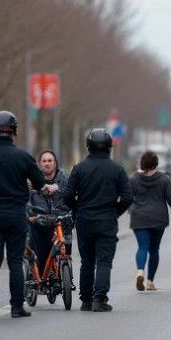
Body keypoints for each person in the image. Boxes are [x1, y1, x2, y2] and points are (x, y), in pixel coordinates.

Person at [0, 111, 55, 319]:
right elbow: (39, 183)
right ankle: (17, 307)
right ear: (14, 131)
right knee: (15, 261)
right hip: (16, 214)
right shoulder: (23, 156)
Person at [62, 128, 133, 312]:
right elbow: (127, 198)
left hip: (84, 220)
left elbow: (67, 196)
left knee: (87, 261)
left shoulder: (78, 169)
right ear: (109, 147)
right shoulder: (117, 169)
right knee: (103, 261)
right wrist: (114, 212)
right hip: (107, 220)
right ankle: (99, 299)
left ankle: (85, 300)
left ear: (88, 147)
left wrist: (77, 210)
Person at [129, 151, 171, 291]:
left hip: (139, 217)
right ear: (156, 163)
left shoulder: (134, 179)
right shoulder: (164, 179)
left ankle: (140, 272)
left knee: (142, 247)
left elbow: (128, 198)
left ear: (142, 163)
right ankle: (149, 282)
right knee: (154, 250)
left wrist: (132, 210)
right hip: (158, 219)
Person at [27, 150, 70, 272]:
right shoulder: (32, 181)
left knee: (65, 252)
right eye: (44, 161)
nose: (47, 164)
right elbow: (27, 200)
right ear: (40, 164)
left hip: (61, 222)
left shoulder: (64, 179)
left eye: (50, 161)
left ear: (55, 163)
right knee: (41, 254)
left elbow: (72, 193)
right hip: (41, 223)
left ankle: (64, 273)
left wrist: (58, 188)